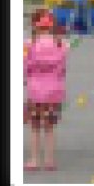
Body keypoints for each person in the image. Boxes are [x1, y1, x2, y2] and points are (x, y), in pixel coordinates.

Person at [24, 9, 69, 171]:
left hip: (35, 92)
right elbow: (62, 69)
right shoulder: (61, 44)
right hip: (54, 92)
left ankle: (34, 160)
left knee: (35, 128)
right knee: (50, 128)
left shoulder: (28, 44)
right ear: (52, 25)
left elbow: (25, 67)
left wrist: (26, 78)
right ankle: (50, 160)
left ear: (34, 25)